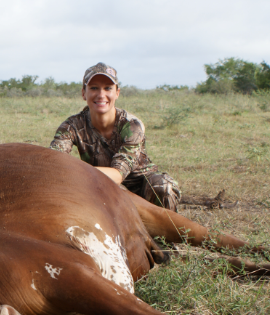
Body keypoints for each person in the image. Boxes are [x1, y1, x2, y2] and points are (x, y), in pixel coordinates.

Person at [49, 62, 181, 212]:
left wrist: (74, 172)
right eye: (94, 88)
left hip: (141, 185)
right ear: (83, 93)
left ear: (117, 93)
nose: (101, 95)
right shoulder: (71, 126)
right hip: (101, 183)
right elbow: (54, 160)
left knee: (163, 186)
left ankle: (170, 232)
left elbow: (118, 175)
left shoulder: (132, 125)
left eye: (108, 88)